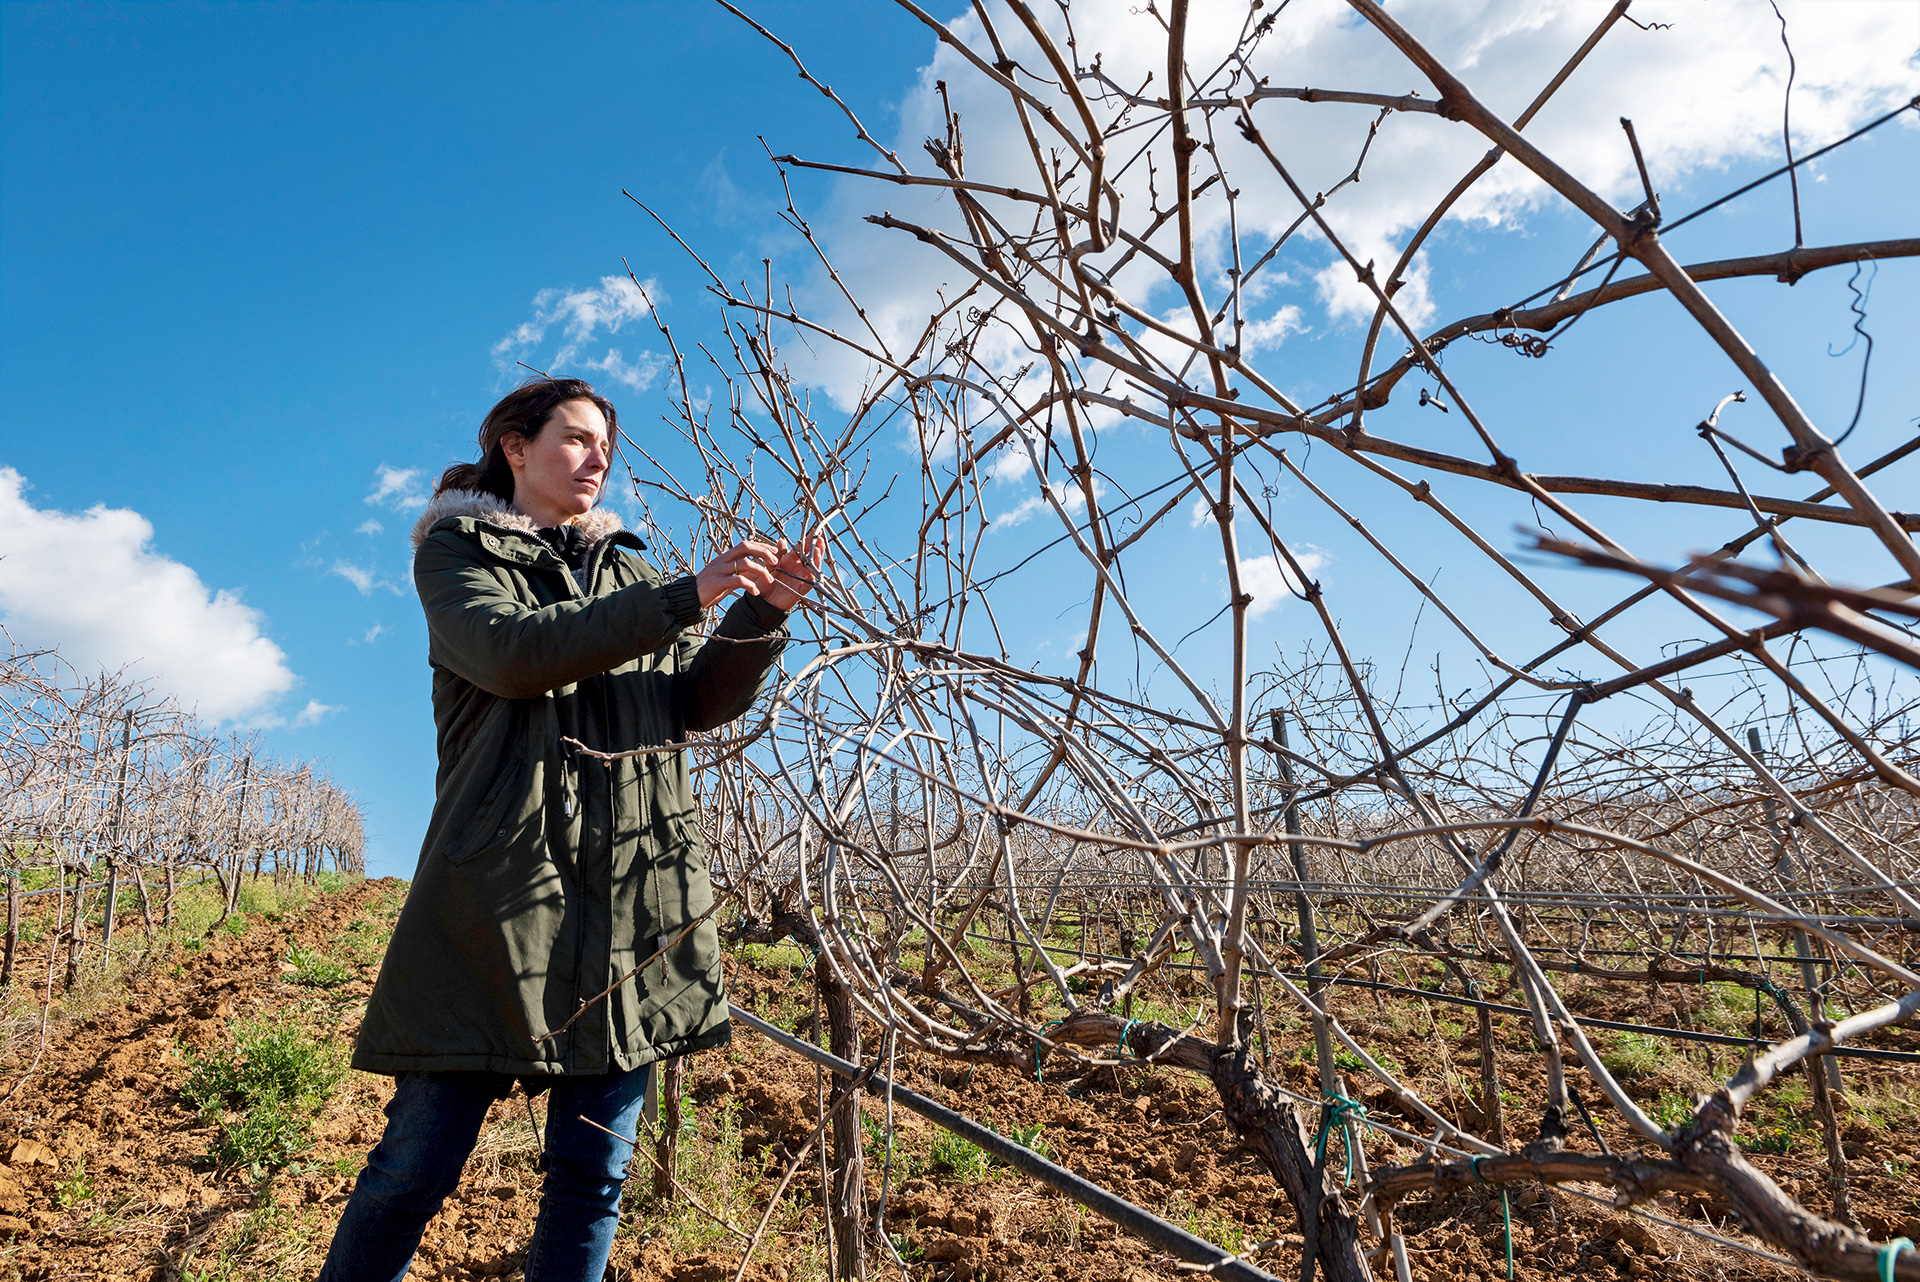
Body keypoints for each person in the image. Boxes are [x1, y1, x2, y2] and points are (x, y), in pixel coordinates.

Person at [318, 377, 822, 1282]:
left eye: (606, 447)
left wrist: (760, 612)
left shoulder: (628, 567)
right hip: (497, 901)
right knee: (412, 1171)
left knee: (593, 1178)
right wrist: (683, 596)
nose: (598, 460)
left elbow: (690, 705)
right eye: (577, 439)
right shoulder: (456, 554)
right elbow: (515, 657)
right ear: (516, 447)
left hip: (631, 901)